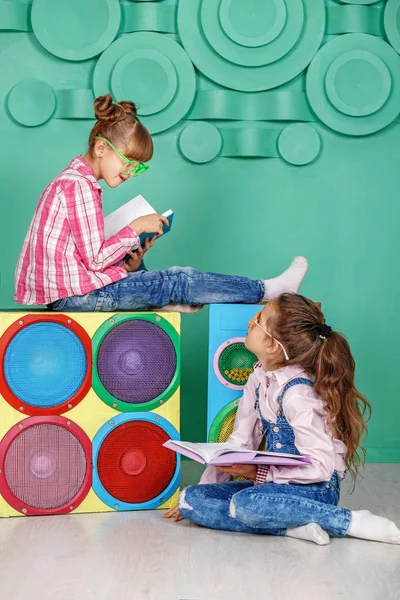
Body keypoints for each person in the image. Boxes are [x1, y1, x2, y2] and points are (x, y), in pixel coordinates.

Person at [14, 94, 308, 313]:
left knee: (145, 268)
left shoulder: (71, 180)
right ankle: (268, 289)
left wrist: (131, 261)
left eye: (138, 168)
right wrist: (134, 227)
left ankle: (166, 297)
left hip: (69, 291)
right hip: (75, 296)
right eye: (129, 163)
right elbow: (93, 261)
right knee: (180, 279)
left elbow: (83, 258)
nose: (130, 173)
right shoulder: (80, 187)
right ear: (101, 148)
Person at [164, 293, 400, 545]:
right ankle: (292, 528)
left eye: (259, 319)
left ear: (272, 345)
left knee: (246, 504)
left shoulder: (297, 394)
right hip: (274, 488)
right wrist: (206, 486)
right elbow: (240, 442)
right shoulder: (257, 379)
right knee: (191, 498)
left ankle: (346, 520)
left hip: (316, 488)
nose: (251, 321)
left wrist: (259, 473)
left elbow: (321, 468)